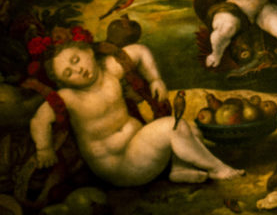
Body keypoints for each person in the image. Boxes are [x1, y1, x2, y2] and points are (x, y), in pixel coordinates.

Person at [31, 38, 243, 186]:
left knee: (190, 129)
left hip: (137, 150)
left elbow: (140, 51)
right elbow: (39, 120)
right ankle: (217, 169)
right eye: (68, 73)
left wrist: (155, 79)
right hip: (120, 166)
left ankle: (180, 170)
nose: (78, 70)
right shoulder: (69, 97)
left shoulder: (109, 70)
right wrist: (44, 149)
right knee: (172, 126)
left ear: (88, 51)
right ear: (65, 82)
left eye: (76, 60)